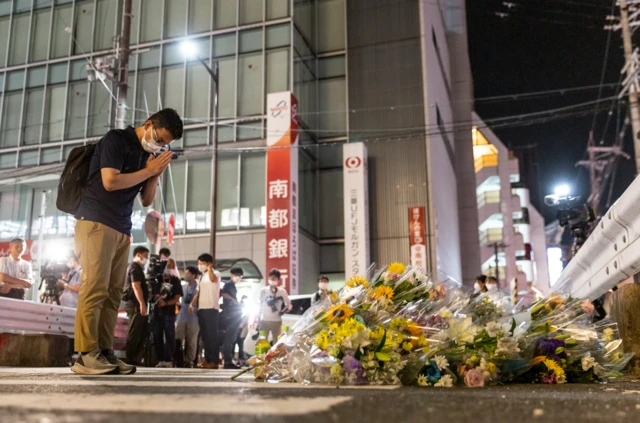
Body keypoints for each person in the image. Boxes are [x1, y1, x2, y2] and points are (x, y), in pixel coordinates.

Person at [72, 108, 183, 375]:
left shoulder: (148, 156)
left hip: (122, 227)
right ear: (148, 126)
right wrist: (148, 170)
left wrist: (154, 173)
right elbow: (110, 181)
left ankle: (105, 352)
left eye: (164, 145)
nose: (159, 146)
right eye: (159, 139)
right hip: (96, 220)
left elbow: (146, 200)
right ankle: (85, 355)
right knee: (95, 288)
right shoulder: (116, 140)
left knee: (112, 295)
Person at [189, 253, 221, 369]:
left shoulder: (215, 273)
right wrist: (192, 304)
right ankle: (207, 359)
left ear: (209, 263)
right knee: (205, 336)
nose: (200, 265)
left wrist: (210, 269)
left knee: (212, 336)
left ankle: (214, 360)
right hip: (201, 309)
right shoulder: (202, 277)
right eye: (199, 263)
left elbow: (213, 279)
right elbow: (199, 292)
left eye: (202, 263)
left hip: (212, 308)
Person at [122, 246, 150, 366]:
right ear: (138, 255)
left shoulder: (136, 267)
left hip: (136, 303)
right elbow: (136, 286)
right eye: (146, 256)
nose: (147, 259)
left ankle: (135, 358)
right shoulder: (134, 267)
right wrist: (142, 304)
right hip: (135, 304)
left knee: (142, 331)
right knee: (135, 331)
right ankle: (130, 357)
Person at [151, 267, 183, 368]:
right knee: (157, 335)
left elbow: (177, 298)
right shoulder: (157, 279)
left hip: (169, 312)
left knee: (170, 335)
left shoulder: (175, 281)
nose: (165, 274)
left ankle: (169, 359)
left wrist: (166, 303)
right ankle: (160, 359)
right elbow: (152, 293)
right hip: (156, 311)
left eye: (167, 271)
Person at [258, 269, 292, 343]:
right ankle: (263, 355)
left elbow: (289, 304)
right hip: (264, 320)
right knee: (263, 341)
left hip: (276, 321)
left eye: (274, 278)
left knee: (277, 342)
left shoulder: (282, 291)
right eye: (270, 278)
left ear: (278, 280)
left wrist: (283, 312)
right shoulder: (263, 290)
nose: (272, 280)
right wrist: (259, 319)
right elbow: (260, 305)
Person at [176, 266, 200, 368]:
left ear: (194, 275)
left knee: (192, 340)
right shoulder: (183, 287)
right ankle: (178, 359)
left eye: (188, 273)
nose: (186, 275)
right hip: (182, 316)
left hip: (194, 317)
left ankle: (189, 360)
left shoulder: (198, 287)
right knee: (177, 338)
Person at [221, 267, 244, 369]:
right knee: (229, 338)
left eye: (240, 276)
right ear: (232, 275)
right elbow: (224, 293)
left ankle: (228, 360)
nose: (238, 277)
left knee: (231, 338)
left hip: (232, 314)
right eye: (237, 275)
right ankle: (227, 360)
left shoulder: (233, 286)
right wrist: (233, 301)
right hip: (230, 315)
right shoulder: (228, 284)